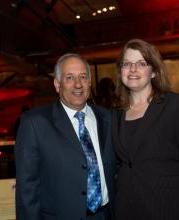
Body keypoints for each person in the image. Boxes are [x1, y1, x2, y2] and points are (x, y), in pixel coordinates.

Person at [112, 39, 179, 220]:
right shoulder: (115, 114)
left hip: (168, 208)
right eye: (127, 64)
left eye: (141, 63)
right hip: (127, 209)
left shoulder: (177, 106)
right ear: (121, 71)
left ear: (154, 71)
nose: (133, 69)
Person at [15, 53, 116, 220]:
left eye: (83, 77)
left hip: (105, 215)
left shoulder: (108, 119)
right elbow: (27, 189)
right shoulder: (34, 123)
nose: (78, 84)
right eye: (69, 77)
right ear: (57, 84)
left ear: (90, 83)